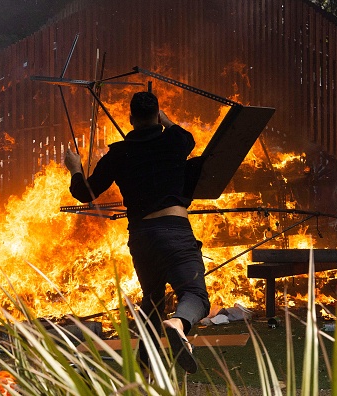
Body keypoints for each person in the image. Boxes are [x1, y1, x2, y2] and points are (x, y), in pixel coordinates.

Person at [64, 91, 210, 374]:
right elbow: (186, 136)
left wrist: (75, 168)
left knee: (153, 300)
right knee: (194, 294)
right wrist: (163, 118)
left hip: (142, 237)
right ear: (158, 116)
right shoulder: (176, 141)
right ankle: (179, 324)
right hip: (175, 230)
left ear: (130, 119)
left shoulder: (119, 153)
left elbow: (84, 193)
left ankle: (145, 365)